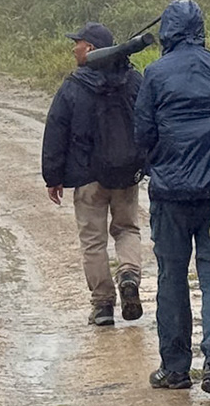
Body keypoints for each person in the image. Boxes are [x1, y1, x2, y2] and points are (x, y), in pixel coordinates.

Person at [134, 0, 210, 398]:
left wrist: (157, 166)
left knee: (172, 277)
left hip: (169, 195)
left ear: (166, 31)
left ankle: (174, 368)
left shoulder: (155, 75)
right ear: (200, 28)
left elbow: (142, 134)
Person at [42, 22, 149, 326]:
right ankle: (129, 274)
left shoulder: (74, 85)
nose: (73, 47)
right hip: (126, 174)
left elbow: (56, 130)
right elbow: (147, 121)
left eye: (77, 43)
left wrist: (54, 176)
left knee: (93, 240)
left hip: (89, 177)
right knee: (127, 229)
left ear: (89, 48)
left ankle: (103, 306)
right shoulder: (134, 80)